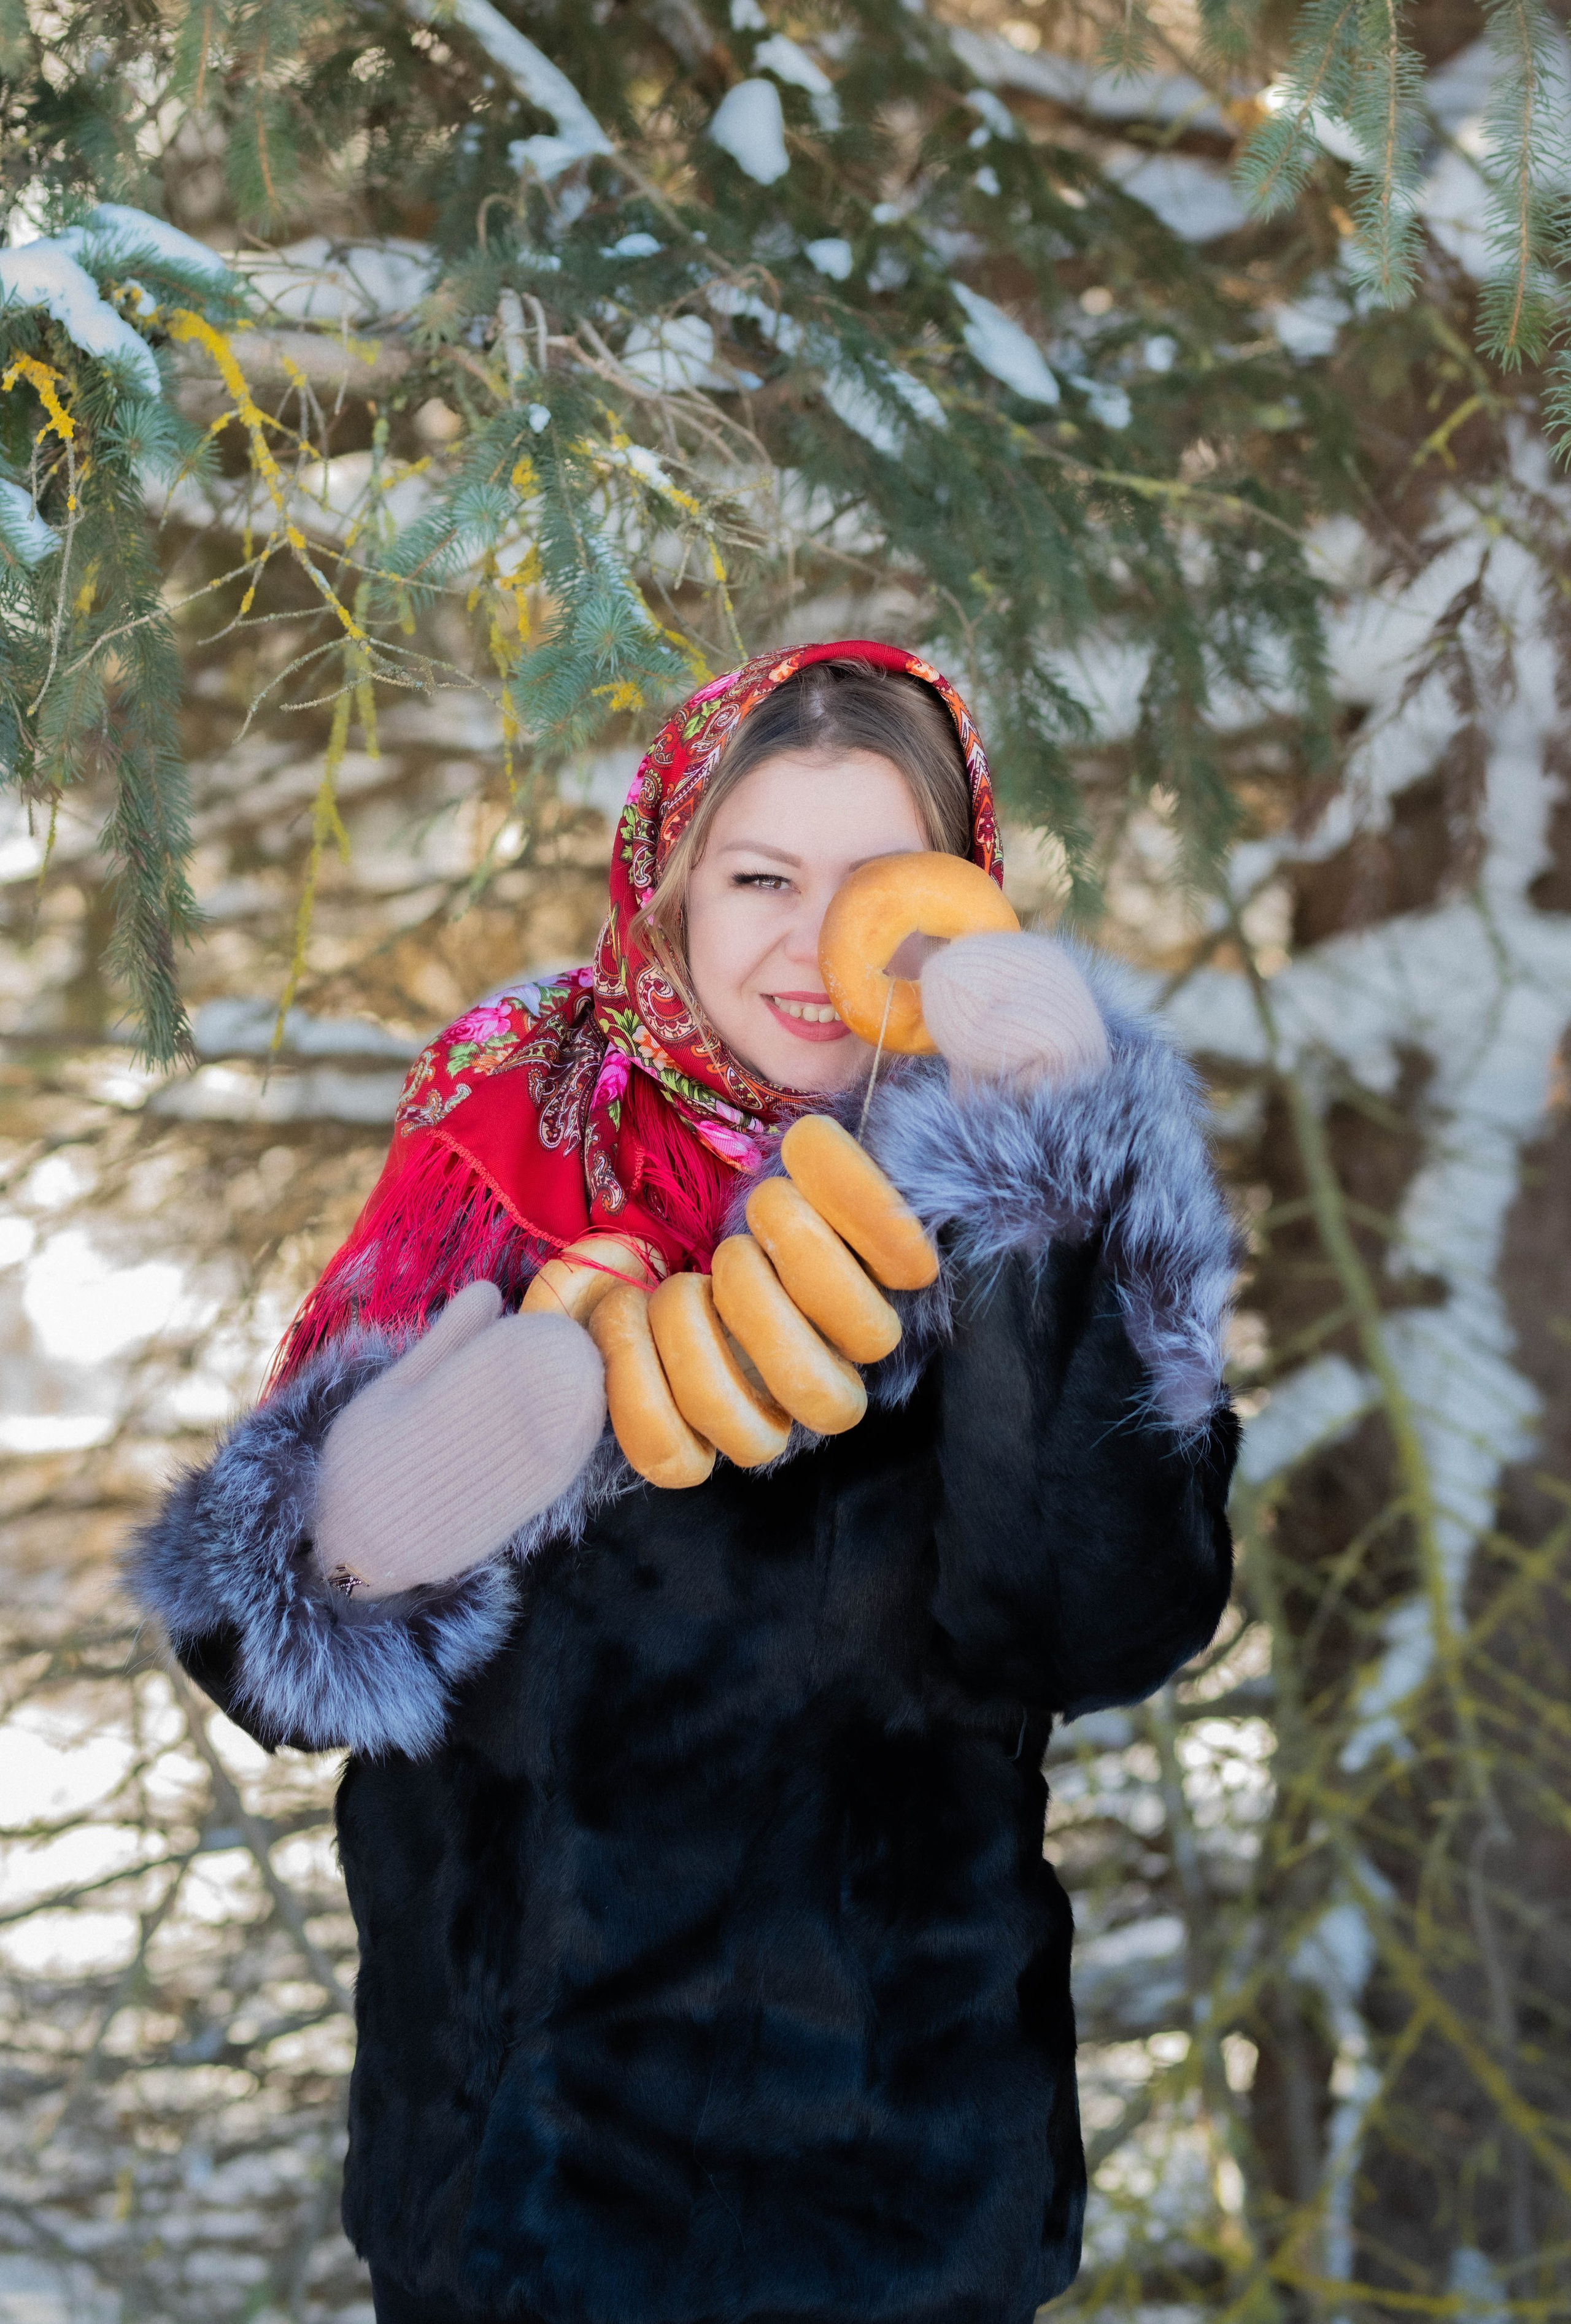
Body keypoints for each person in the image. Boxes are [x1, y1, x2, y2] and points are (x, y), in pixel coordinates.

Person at [130, 641, 1240, 2324]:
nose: (813, 944)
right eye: (761, 878)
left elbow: (1098, 1627)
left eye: (877, 883)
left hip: (890, 2208)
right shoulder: (501, 1143)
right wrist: (355, 1533)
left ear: (961, 897)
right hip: (495, 2195)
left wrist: (1050, 1171)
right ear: (669, 888)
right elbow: (249, 1667)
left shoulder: (1039, 1169)